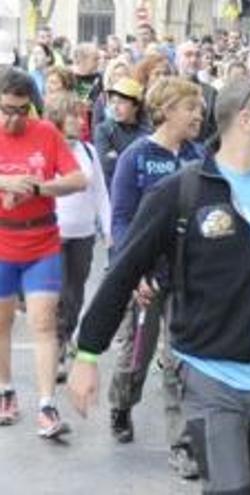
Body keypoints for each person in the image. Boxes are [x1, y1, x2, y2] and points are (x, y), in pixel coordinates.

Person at [68, 75, 250, 495]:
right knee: (230, 487)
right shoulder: (180, 191)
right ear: (246, 120)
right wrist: (87, 353)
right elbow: (123, 269)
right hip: (209, 375)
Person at [105, 77, 205, 478]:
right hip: (146, 279)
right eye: (190, 108)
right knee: (136, 356)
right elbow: (122, 220)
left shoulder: (200, 157)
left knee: (180, 361)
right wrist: (136, 273)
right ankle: (121, 403)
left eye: (199, 108)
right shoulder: (136, 157)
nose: (199, 115)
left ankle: (182, 445)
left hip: (187, 278)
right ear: (166, 111)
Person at [0, 69, 86, 437]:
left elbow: (79, 179)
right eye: (6, 110)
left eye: (22, 110)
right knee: (2, 324)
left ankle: (47, 406)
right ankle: (6, 393)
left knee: (44, 323)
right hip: (2, 242)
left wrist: (40, 188)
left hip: (42, 241)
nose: (13, 119)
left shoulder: (47, 133)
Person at [44, 93, 111, 379]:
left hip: (83, 233)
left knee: (76, 294)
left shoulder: (88, 151)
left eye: (80, 115)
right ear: (59, 117)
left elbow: (100, 193)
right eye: (72, 114)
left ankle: (67, 335)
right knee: (58, 295)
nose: (78, 120)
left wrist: (108, 229)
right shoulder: (47, 149)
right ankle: (57, 349)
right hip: (53, 232)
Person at [93, 77, 149, 191]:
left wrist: (119, 156)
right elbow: (108, 165)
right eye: (113, 102)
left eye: (122, 102)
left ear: (136, 106)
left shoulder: (147, 131)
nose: (115, 107)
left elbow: (150, 165)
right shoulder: (104, 130)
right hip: (114, 191)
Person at [175, 41, 218, 144]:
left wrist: (203, 150)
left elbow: (217, 129)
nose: (193, 60)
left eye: (197, 55)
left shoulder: (210, 93)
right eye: (188, 55)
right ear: (177, 60)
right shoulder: (164, 90)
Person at [90, 56, 132, 132]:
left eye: (125, 74)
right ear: (110, 77)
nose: (122, 78)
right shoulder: (103, 99)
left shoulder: (135, 97)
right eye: (118, 75)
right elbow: (96, 127)